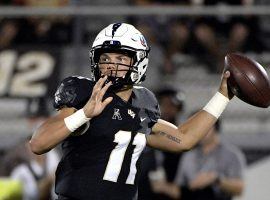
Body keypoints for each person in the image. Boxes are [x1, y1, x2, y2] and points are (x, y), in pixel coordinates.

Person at [30, 22, 233, 200]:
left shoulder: (144, 102)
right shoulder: (84, 93)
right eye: (105, 58)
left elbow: (184, 139)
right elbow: (38, 143)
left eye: (120, 59)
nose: (111, 66)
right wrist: (84, 114)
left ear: (138, 62)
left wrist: (222, 96)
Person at [152, 118, 246, 200]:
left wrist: (216, 180)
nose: (198, 132)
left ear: (214, 127)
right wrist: (163, 187)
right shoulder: (189, 155)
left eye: (203, 127)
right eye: (195, 129)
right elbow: (179, 189)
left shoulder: (231, 154)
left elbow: (239, 188)